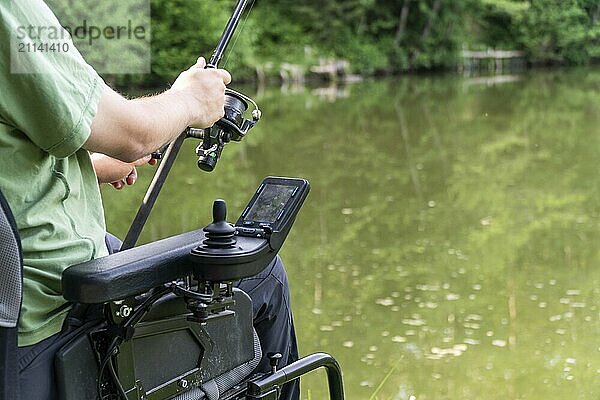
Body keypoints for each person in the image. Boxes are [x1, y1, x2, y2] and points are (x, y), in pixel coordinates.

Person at [0, 2, 298, 399]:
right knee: (265, 273)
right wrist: (191, 100)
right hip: (52, 312)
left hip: (20, 296)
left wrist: (90, 165)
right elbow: (133, 134)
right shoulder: (12, 11)